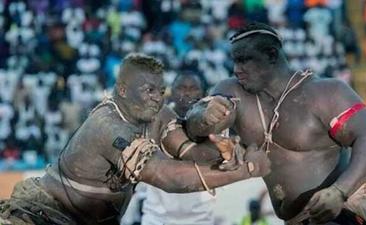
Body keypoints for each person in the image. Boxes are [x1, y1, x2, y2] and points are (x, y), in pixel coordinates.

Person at [0, 53, 271, 225]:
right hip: (44, 216)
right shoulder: (107, 124)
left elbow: (188, 151)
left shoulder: (158, 115)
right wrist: (247, 169)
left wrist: (226, 149)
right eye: (148, 89)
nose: (156, 97)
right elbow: (167, 177)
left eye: (160, 90)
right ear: (122, 90)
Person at [186, 22, 366, 225]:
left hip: (339, 212)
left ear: (272, 56)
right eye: (235, 61)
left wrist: (339, 192)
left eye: (245, 60)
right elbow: (195, 129)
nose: (237, 69)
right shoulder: (232, 91)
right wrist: (203, 116)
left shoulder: (326, 92)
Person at [123, 71, 216, 225]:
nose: (186, 93)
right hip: (157, 216)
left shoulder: (214, 124)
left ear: (204, 93)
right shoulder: (152, 120)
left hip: (200, 217)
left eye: (193, 88)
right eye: (181, 87)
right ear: (171, 93)